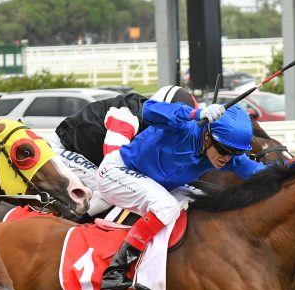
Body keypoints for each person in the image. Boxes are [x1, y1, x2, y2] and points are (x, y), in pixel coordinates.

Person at [97, 101, 266, 290]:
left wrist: (293, 167)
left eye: (235, 153)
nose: (227, 158)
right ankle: (115, 272)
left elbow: (261, 171)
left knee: (205, 202)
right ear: (207, 135)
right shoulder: (182, 127)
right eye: (224, 150)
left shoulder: (225, 156)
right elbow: (149, 110)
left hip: (154, 184)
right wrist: (195, 113)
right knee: (166, 206)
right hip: (117, 172)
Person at [51, 85, 198, 217]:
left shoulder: (153, 120)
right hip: (59, 150)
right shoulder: (128, 116)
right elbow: (110, 169)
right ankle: (67, 224)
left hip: (89, 155)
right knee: (108, 191)